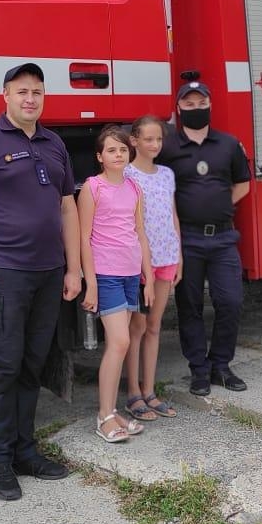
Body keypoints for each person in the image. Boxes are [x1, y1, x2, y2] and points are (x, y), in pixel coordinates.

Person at [0, 62, 82, 501]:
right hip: (6, 274)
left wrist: (74, 268)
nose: (31, 99)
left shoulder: (54, 143)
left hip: (50, 274)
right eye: (22, 91)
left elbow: (68, 208)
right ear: (5, 95)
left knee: (32, 365)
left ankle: (26, 452)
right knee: (3, 368)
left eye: (38, 92)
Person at [157, 80, 252, 396]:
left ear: (209, 106)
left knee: (231, 301)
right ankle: (199, 370)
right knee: (189, 306)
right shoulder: (168, 148)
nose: (196, 109)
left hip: (223, 238)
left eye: (201, 104)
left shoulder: (228, 144)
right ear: (179, 109)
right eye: (189, 105)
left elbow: (243, 184)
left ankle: (221, 365)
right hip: (187, 241)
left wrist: (219, 205)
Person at [79, 126, 155, 443]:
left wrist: (148, 278)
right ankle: (104, 417)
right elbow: (83, 237)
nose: (118, 154)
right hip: (106, 274)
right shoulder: (92, 188)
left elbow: (140, 233)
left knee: (116, 345)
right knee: (121, 342)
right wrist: (91, 283)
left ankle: (112, 411)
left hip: (129, 275)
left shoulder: (134, 188)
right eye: (111, 150)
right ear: (100, 157)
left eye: (122, 149)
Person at [122, 116, 182, 422]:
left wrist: (179, 255)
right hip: (140, 261)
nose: (154, 145)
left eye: (159, 139)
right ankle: (133, 392)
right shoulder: (127, 175)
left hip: (167, 258)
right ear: (133, 141)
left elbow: (172, 214)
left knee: (155, 325)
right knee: (137, 327)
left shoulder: (167, 174)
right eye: (148, 139)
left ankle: (150, 390)